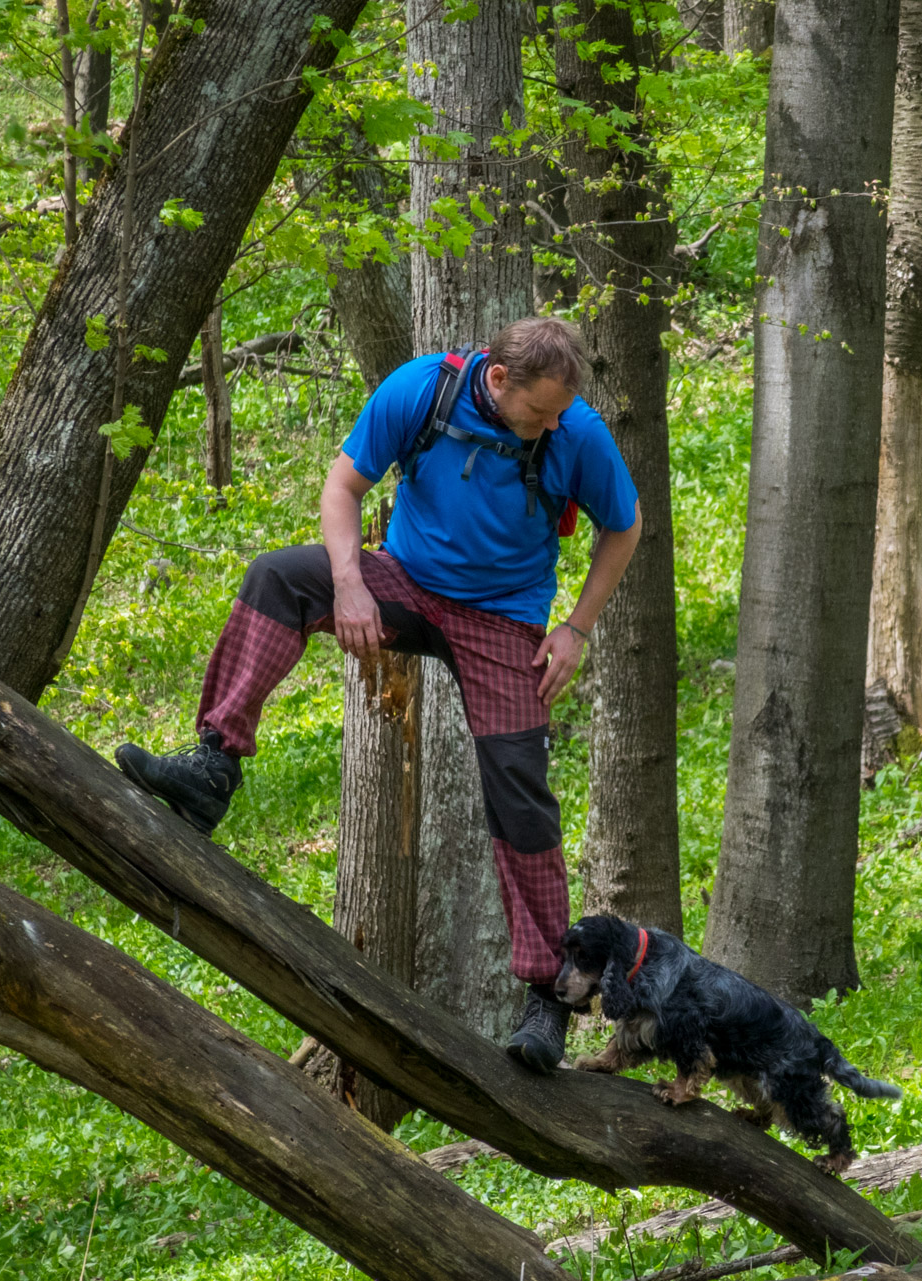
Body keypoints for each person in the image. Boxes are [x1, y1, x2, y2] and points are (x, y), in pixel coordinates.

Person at [115, 316, 641, 1073]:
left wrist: (577, 629)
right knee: (277, 576)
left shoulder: (577, 435)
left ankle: (546, 998)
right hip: (406, 584)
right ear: (498, 380)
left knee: (521, 797)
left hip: (504, 618)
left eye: (561, 412)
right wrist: (352, 584)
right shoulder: (422, 390)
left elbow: (623, 529)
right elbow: (342, 486)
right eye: (542, 411)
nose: (553, 423)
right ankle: (212, 767)